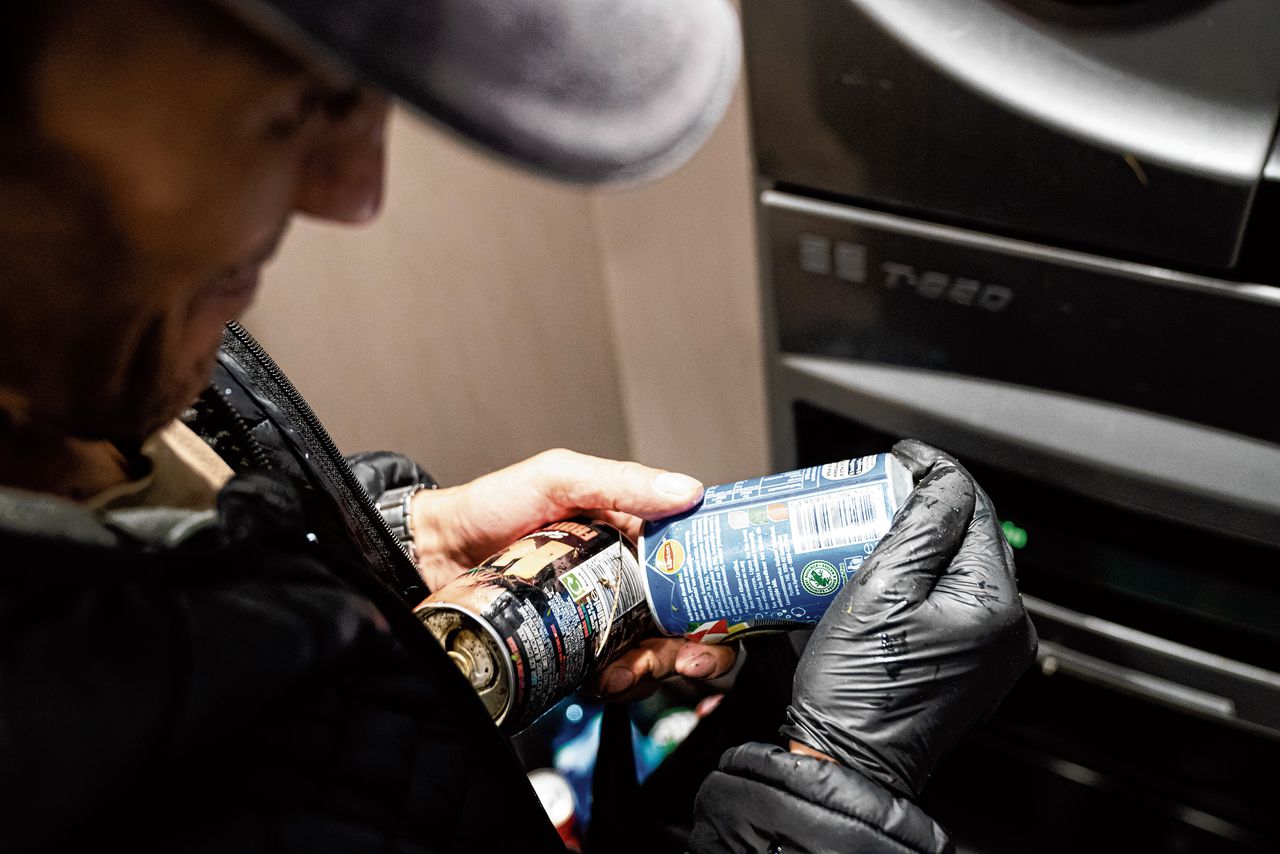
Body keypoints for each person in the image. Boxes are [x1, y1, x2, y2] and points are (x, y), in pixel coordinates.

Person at [0, 1, 1037, 852]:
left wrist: (405, 544)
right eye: (299, 102)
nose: (356, 193)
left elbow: (177, 547)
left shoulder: (81, 321)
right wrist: (829, 780)